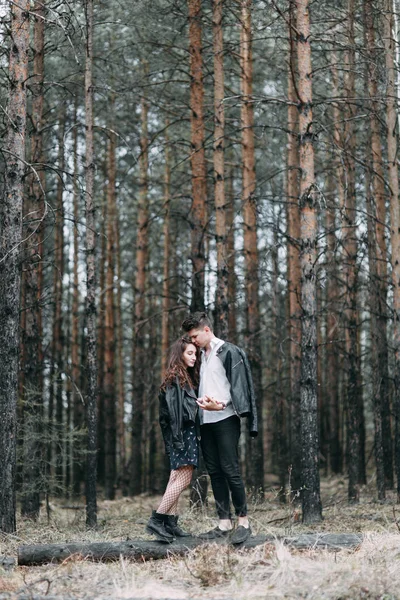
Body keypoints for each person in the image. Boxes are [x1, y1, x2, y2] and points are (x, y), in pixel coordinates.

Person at [181, 312, 258, 545]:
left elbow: (240, 386)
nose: (193, 340)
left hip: (226, 418)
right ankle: (224, 522)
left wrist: (221, 404)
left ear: (206, 330)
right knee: (214, 471)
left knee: (230, 469)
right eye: (190, 337)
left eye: (195, 336)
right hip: (205, 421)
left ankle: (243, 521)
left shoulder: (229, 351)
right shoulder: (199, 356)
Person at [146, 337, 200, 543]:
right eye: (190, 353)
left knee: (175, 478)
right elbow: (175, 414)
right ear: (180, 355)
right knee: (184, 479)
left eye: (195, 353)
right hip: (183, 434)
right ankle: (157, 519)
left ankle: (170, 522)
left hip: (182, 434)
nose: (194, 357)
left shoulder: (181, 377)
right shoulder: (176, 380)